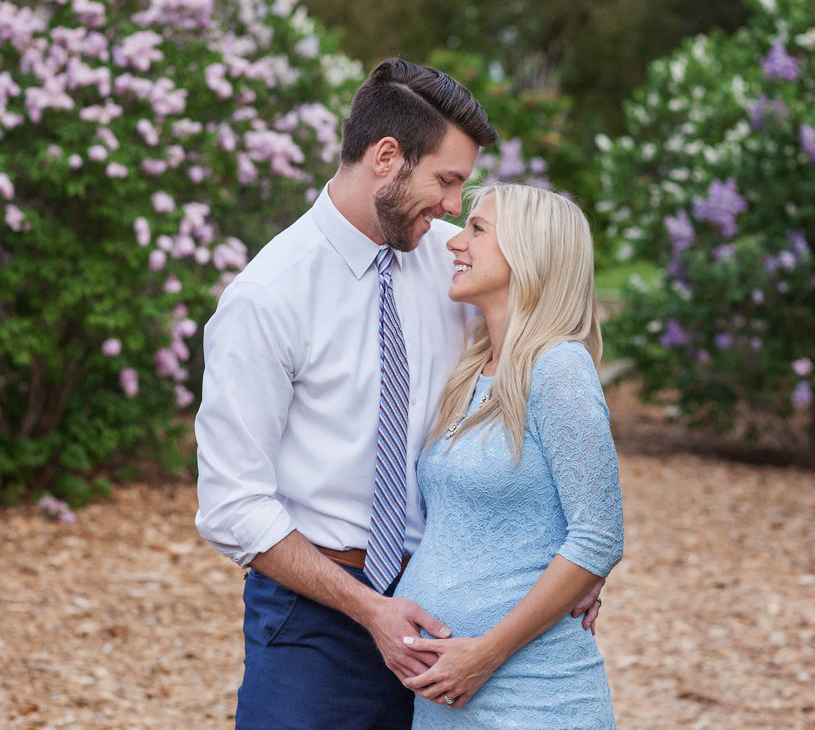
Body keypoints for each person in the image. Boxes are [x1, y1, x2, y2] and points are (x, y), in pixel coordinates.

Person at [194, 60, 602, 729]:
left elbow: (555, 348)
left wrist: (583, 553)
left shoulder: (458, 263)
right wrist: (371, 609)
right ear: (387, 157)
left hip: (458, 616)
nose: (452, 206)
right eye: (447, 180)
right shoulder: (267, 298)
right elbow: (232, 504)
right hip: (318, 618)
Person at [394, 183, 624, 728]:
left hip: (529, 697)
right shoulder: (472, 371)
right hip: (444, 697)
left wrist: (484, 654)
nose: (455, 244)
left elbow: (599, 535)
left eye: (477, 230)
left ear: (529, 252)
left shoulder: (560, 369)